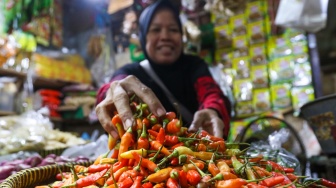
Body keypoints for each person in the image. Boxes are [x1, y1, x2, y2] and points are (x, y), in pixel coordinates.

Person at [95, 0, 231, 139]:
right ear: (143, 36)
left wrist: (212, 110)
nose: (165, 36)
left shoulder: (194, 66)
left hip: (199, 153)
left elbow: (211, 93)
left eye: (173, 29)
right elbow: (111, 88)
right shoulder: (130, 72)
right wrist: (111, 94)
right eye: (155, 30)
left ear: (181, 36)